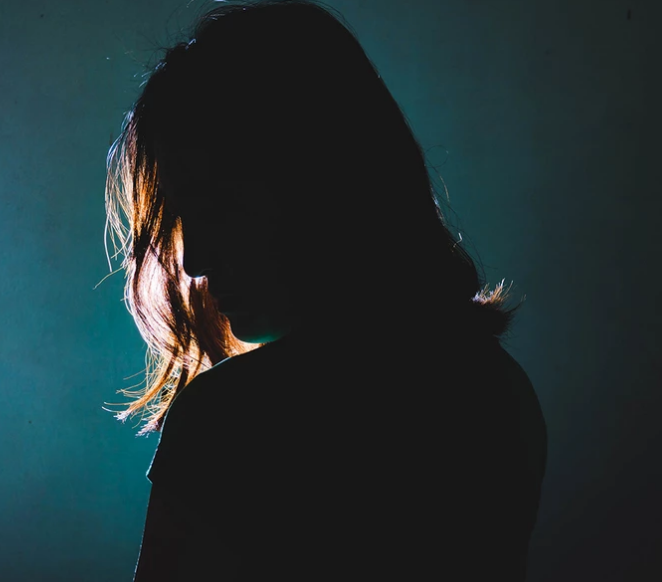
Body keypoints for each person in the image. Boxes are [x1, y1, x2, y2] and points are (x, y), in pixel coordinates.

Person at [103, 1, 547, 579]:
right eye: (189, 219)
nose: (194, 261)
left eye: (220, 209)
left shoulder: (231, 423)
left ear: (320, 186)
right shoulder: (497, 392)